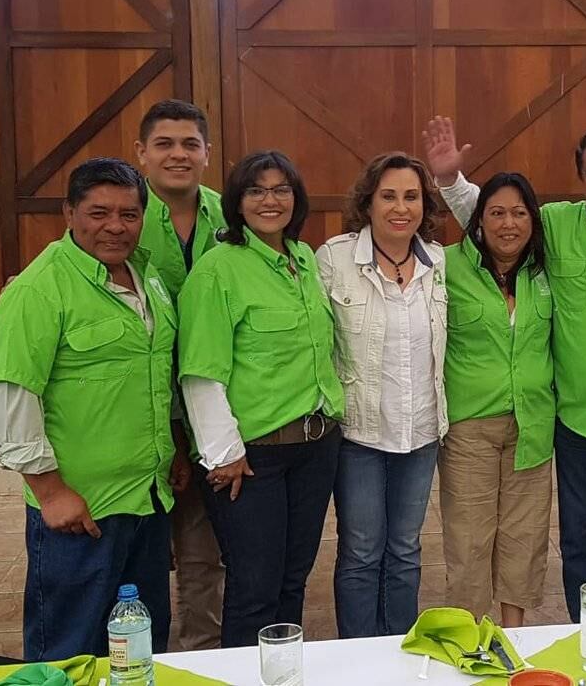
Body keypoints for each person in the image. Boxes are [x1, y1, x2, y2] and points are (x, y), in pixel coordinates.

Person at [424, 118, 586, 622]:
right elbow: (498, 221)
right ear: (581, 179)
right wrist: (450, 181)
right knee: (583, 544)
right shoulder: (557, 226)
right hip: (578, 422)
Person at [0, 158, 177, 660]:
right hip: (81, 511)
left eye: (129, 215)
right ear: (69, 213)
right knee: (69, 653)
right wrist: (50, 492)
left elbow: (156, 374)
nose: (115, 226)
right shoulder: (38, 289)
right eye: (98, 213)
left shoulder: (148, 277)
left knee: (141, 648)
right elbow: (9, 398)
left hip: (148, 501)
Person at [175, 151, 343, 647]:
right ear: (236, 201)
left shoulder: (303, 258)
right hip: (253, 459)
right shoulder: (218, 270)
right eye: (256, 191)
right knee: (255, 586)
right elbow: (201, 372)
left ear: (297, 197)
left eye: (281, 189)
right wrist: (224, 453)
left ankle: (282, 671)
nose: (270, 201)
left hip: (315, 446)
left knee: (293, 579)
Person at [316, 152, 449, 638]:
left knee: (406, 550)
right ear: (367, 203)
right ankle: (358, 652)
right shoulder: (334, 259)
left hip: (421, 431)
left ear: (424, 204)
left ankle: (398, 648)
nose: (400, 207)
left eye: (411, 196)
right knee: (361, 551)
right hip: (360, 435)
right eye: (388, 196)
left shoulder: (439, 262)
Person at [439, 172, 556, 627]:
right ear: (479, 220)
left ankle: (513, 636)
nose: (509, 224)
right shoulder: (446, 265)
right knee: (469, 540)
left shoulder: (546, 269)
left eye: (519, 213)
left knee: (524, 537)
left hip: (532, 424)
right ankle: (470, 637)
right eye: (497, 213)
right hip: (470, 427)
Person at [134, 98, 226, 650]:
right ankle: (135, 658)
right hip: (138, 414)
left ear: (207, 153)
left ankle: (199, 655)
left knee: (202, 549)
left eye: (190, 144)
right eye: (164, 144)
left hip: (209, 412)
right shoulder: (123, 215)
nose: (178, 155)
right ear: (141, 153)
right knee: (140, 552)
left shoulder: (228, 216)